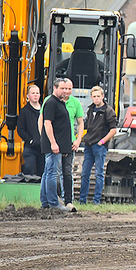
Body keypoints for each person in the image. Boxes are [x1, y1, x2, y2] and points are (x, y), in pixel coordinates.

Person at [39, 78, 84, 211]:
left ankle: (46, 202)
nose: (65, 91)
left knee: (49, 173)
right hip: (54, 146)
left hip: (60, 144)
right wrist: (53, 143)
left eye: (68, 89)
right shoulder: (51, 102)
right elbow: (47, 123)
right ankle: (53, 203)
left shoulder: (61, 103)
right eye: (63, 88)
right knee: (52, 173)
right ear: (55, 88)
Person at [79, 86, 117, 205]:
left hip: (99, 146)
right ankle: (82, 201)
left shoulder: (108, 111)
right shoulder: (90, 110)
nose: (96, 99)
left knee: (99, 174)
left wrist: (102, 141)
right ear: (91, 97)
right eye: (94, 97)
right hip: (89, 145)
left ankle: (96, 201)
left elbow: (113, 130)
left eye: (98, 96)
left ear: (102, 97)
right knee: (85, 173)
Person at [18, 84, 43, 176]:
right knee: (29, 169)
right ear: (28, 96)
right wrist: (30, 140)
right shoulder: (24, 111)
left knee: (43, 171)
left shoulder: (45, 110)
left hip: (43, 147)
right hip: (30, 147)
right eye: (33, 93)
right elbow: (20, 129)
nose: (35, 95)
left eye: (37, 93)